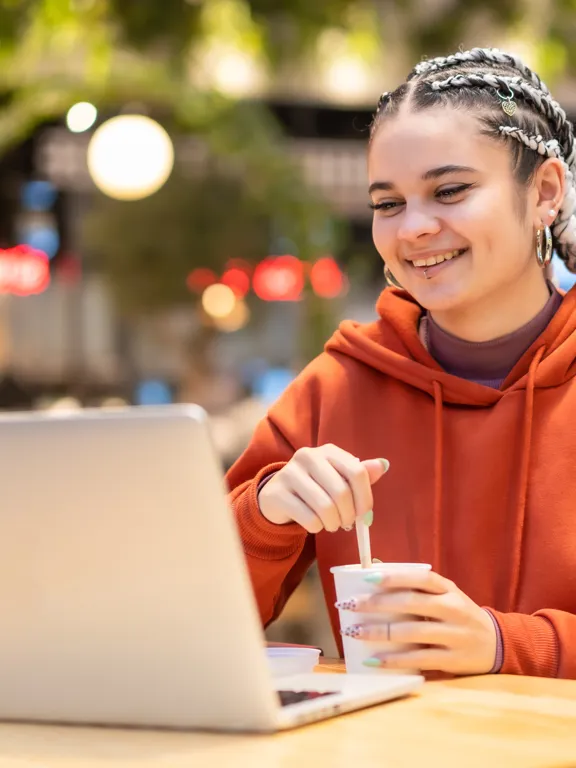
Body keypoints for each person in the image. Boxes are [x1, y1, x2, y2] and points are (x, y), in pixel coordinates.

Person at [226, 47, 576, 680]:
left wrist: (506, 645)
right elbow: (193, 620)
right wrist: (265, 513)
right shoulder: (335, 388)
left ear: (545, 192)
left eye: (450, 190)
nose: (413, 228)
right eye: (387, 204)